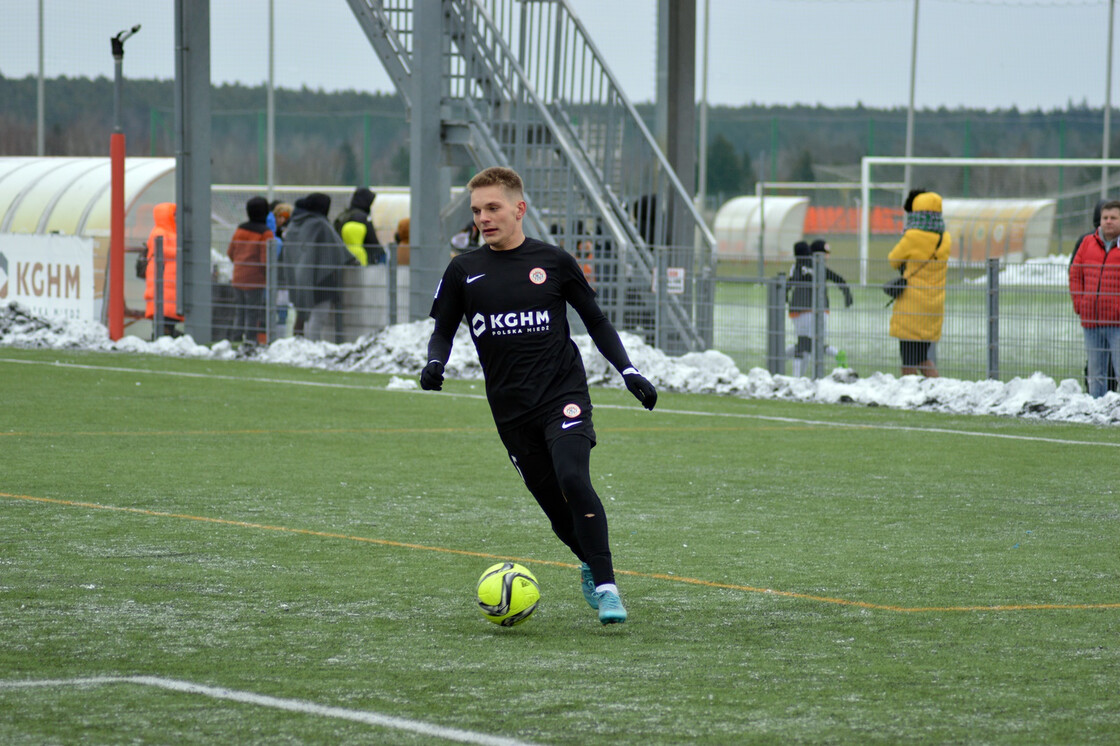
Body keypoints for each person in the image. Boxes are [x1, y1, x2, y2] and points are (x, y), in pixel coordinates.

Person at [420, 166, 657, 625]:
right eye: (476, 210)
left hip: (562, 394)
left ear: (518, 208)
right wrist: (435, 363)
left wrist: (627, 370)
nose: (483, 218)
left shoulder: (553, 261)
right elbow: (442, 330)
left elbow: (596, 321)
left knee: (572, 477)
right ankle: (587, 560)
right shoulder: (463, 270)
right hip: (510, 411)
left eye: (493, 207)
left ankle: (608, 588)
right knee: (553, 508)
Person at [888, 189, 951, 377]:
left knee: (907, 358)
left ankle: (909, 392)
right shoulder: (944, 238)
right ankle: (937, 388)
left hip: (912, 304)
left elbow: (893, 260)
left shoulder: (913, 236)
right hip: (934, 304)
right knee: (923, 356)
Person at [282, 192, 351, 340]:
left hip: (298, 277)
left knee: (302, 315)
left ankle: (299, 343)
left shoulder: (294, 224)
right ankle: (312, 346)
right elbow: (338, 247)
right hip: (320, 278)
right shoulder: (320, 224)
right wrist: (353, 261)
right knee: (318, 317)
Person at [1069, 199, 1120, 398]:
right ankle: (1097, 407)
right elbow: (1075, 274)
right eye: (1105, 218)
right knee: (1095, 373)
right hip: (1091, 320)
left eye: (1114, 218)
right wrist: (1080, 304)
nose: (1108, 222)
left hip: (1117, 321)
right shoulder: (1087, 243)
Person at [785, 239, 852, 376]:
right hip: (820, 309)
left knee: (804, 343)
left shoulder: (800, 266)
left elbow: (793, 280)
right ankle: (836, 354)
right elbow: (839, 279)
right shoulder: (817, 266)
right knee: (811, 343)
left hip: (801, 309)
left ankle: (792, 374)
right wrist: (847, 294)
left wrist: (785, 293)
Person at [227, 196, 274, 345]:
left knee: (239, 312)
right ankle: (250, 341)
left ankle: (235, 340)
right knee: (252, 312)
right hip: (255, 280)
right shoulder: (265, 233)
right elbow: (265, 260)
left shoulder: (240, 229)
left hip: (238, 276)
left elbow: (230, 252)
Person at [144, 201, 183, 337]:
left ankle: (167, 334)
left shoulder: (172, 233)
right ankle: (162, 335)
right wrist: (182, 252)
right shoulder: (159, 232)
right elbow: (162, 250)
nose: (177, 218)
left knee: (168, 314)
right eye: (174, 214)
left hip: (169, 281)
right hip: (164, 280)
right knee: (164, 312)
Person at [334, 187, 383, 266]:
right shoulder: (363, 218)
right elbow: (372, 242)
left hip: (343, 259)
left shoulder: (343, 216)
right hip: (365, 261)